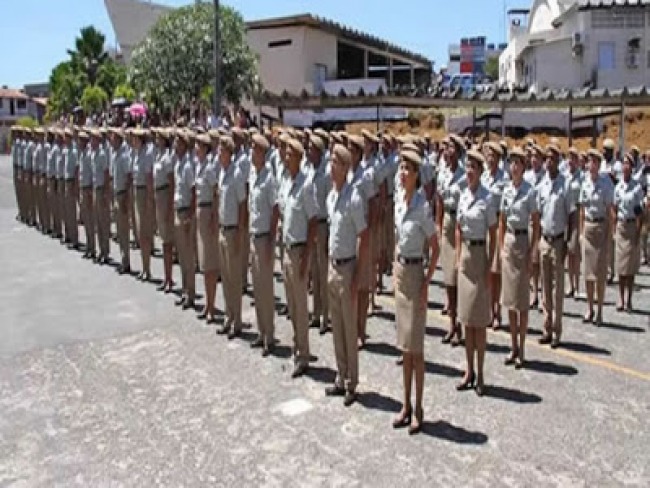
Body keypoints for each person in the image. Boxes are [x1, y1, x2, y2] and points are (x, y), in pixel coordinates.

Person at [391, 150, 439, 434]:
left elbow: (434, 247)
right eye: (401, 168)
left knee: (417, 350)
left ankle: (419, 409)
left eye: (407, 169)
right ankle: (405, 404)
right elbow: (398, 238)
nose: (402, 173)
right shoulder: (399, 201)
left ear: (416, 175)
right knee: (404, 349)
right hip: (401, 275)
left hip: (416, 276)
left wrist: (427, 282)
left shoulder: (422, 206)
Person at [325, 143, 369, 407]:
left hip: (348, 267)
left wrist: (357, 278)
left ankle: (352, 382)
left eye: (334, 162)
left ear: (344, 166)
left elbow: (363, 236)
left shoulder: (353, 197)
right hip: (332, 265)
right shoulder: (333, 195)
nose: (331, 167)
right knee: (337, 327)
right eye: (330, 162)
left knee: (349, 328)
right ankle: (340, 376)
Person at [455, 149, 497, 396]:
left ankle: (480, 373)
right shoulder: (462, 195)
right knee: (466, 320)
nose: (469, 172)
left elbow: (493, 232)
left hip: (480, 258)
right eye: (467, 167)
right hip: (466, 260)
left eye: (474, 168)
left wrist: (490, 265)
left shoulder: (487, 198)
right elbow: (459, 228)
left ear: (481, 172)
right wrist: (459, 255)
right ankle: (468, 370)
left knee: (479, 323)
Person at [500, 147, 539, 369]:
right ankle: (512, 345)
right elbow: (502, 221)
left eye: (518, 163)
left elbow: (535, 222)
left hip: (523, 242)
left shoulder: (529, 191)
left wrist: (532, 253)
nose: (514, 167)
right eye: (511, 163)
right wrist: (500, 250)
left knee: (522, 301)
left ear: (524, 167)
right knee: (510, 301)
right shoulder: (506, 191)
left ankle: (522, 347)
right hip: (509, 241)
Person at [282, 138, 318, 378]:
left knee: (301, 305)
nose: (285, 158)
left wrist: (306, 256)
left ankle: (303, 354)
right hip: (286, 249)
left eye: (289, 154)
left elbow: (313, 220)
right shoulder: (286, 181)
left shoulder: (306, 185)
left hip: (298, 250)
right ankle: (296, 348)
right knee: (292, 305)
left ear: (297, 157)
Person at [538, 145, 576, 348]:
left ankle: (557, 331)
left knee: (557, 288)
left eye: (552, 159)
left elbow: (572, 215)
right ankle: (546, 328)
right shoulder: (542, 184)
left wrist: (570, 242)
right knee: (545, 287)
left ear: (558, 161)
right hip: (545, 240)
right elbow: (538, 215)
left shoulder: (566, 185)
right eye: (547, 159)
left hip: (559, 240)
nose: (549, 162)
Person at [248, 133, 280, 356]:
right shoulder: (254, 173)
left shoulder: (269, 178)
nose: (251, 153)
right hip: (253, 235)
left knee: (266, 290)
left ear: (262, 152)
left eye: (254, 149)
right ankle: (261, 331)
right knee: (257, 289)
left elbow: (275, 210)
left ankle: (269, 335)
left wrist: (270, 240)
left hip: (264, 238)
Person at [436, 134, 467, 346]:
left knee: (459, 278)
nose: (448, 152)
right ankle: (452, 324)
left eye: (451, 148)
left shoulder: (465, 175)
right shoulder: (443, 173)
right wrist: (438, 227)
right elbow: (438, 200)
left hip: (460, 224)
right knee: (448, 279)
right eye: (446, 148)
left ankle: (461, 327)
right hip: (447, 222)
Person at [579, 149, 615, 326]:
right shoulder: (584, 182)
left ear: (599, 165)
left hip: (601, 227)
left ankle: (600, 309)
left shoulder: (606, 183)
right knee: (587, 272)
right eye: (589, 162)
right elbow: (582, 209)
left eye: (594, 162)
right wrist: (580, 232)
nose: (591, 165)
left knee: (600, 273)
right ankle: (589, 307)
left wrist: (610, 234)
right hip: (588, 226)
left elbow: (610, 211)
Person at [347, 135, 377, 349]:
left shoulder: (365, 177)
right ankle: (352, 326)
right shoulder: (345, 175)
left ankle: (361, 329)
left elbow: (374, 203)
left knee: (363, 285)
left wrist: (371, 229)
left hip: (362, 232)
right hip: (348, 233)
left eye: (351, 150)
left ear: (357, 153)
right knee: (351, 283)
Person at [216, 135, 247, 338]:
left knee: (235, 279)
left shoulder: (236, 174)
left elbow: (243, 205)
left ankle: (237, 320)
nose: (218, 154)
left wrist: (240, 232)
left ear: (229, 152)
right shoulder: (222, 173)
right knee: (226, 278)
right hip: (222, 229)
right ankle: (228, 316)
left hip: (234, 230)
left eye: (221, 150)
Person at [306, 134, 331, 334]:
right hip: (311, 224)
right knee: (314, 271)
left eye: (312, 149)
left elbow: (330, 203)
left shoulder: (326, 173)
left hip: (323, 224)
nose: (308, 152)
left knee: (323, 272)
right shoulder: (309, 171)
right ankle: (315, 312)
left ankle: (325, 316)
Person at [194, 133, 220, 323]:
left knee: (210, 264)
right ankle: (207, 303)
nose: (196, 149)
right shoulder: (199, 166)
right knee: (204, 264)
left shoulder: (210, 168)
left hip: (208, 211)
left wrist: (213, 217)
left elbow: (215, 193)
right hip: (200, 212)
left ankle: (212, 305)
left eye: (198, 146)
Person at [482, 141, 507, 329]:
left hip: (497, 225)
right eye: (487, 155)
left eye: (493, 156)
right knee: (485, 271)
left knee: (496, 271)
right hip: (482, 226)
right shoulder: (482, 177)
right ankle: (488, 309)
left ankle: (497, 310)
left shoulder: (503, 179)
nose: (489, 158)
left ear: (498, 158)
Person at [614, 153, 644, 312]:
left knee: (630, 267)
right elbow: (614, 208)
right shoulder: (618, 187)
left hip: (632, 226)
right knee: (620, 265)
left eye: (628, 164)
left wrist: (638, 233)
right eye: (624, 163)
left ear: (632, 168)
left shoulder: (637, 188)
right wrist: (614, 228)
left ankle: (629, 299)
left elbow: (640, 212)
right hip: (621, 226)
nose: (626, 167)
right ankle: (620, 297)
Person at [173, 130, 197, 310]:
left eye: (178, 143)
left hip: (185, 212)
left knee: (188, 256)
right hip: (177, 210)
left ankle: (191, 292)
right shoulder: (178, 164)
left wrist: (190, 215)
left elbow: (193, 191)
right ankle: (184, 290)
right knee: (181, 254)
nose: (174, 146)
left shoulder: (188, 166)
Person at [131, 129, 155, 281]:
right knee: (140, 232)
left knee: (145, 233)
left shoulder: (146, 155)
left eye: (135, 139)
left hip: (143, 192)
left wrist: (149, 198)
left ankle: (147, 268)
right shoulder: (137, 154)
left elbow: (148, 178)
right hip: (136, 191)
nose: (133, 141)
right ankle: (144, 266)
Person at [153, 129, 175, 291]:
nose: (156, 139)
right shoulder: (158, 156)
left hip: (165, 194)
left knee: (168, 242)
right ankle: (166, 277)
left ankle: (169, 278)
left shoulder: (167, 158)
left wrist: (169, 207)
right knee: (163, 240)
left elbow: (171, 183)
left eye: (159, 137)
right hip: (158, 194)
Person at [524, 145, 545, 309]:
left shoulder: (546, 177)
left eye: (537, 157)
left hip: (543, 223)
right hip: (530, 223)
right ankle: (534, 291)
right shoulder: (527, 177)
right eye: (532, 157)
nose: (533, 160)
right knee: (532, 259)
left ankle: (543, 292)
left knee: (542, 260)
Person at [110, 128, 133, 274]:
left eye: (113, 138)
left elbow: (129, 176)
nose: (111, 141)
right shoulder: (114, 154)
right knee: (119, 230)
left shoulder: (124, 156)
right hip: (115, 192)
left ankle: (126, 261)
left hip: (122, 193)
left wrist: (125, 197)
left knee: (124, 230)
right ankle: (123, 259)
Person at [565, 148, 584, 298]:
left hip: (577, 213)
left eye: (573, 158)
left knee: (575, 251)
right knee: (567, 253)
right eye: (568, 158)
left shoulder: (581, 177)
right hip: (566, 214)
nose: (570, 161)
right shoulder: (564, 177)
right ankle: (570, 284)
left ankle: (577, 285)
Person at [90, 129, 110, 264]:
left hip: (101, 188)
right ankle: (100, 250)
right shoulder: (93, 154)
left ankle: (105, 251)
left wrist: (105, 193)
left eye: (93, 139)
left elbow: (106, 173)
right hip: (94, 188)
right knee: (97, 221)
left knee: (103, 221)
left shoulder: (102, 154)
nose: (91, 142)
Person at [77, 131, 96, 260]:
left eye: (81, 140)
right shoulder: (82, 154)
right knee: (86, 220)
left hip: (88, 188)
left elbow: (91, 174)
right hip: (83, 188)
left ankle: (93, 247)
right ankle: (89, 247)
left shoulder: (89, 155)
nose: (79, 143)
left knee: (90, 219)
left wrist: (90, 191)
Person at [62, 128, 80, 250]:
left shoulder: (73, 151)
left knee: (72, 212)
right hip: (65, 181)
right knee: (66, 210)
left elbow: (76, 169)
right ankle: (68, 234)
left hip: (71, 181)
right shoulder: (66, 150)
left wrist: (75, 184)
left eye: (66, 136)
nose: (65, 139)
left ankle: (74, 238)